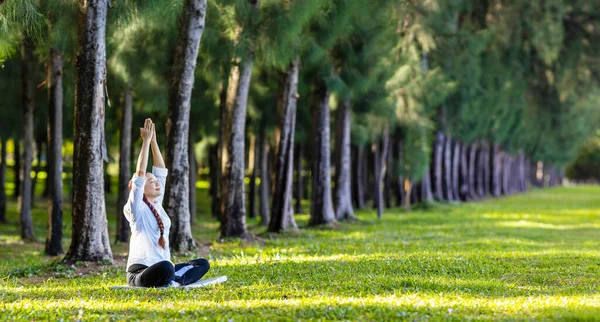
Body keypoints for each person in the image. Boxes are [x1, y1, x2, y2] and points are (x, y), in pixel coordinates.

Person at [124, 118, 209, 288]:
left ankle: (173, 281)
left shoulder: (156, 203)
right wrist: (146, 141)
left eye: (156, 181)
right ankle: (173, 279)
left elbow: (161, 171)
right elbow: (140, 173)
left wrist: (154, 141)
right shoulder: (135, 208)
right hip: (139, 273)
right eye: (151, 182)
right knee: (166, 266)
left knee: (202, 263)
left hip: (164, 267)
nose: (156, 183)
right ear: (138, 187)